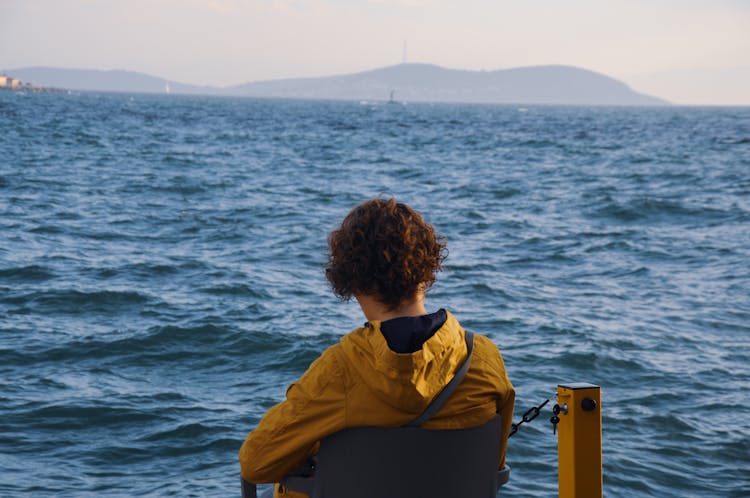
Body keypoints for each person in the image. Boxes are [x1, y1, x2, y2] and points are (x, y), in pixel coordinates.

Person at [239, 198, 515, 497]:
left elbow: (256, 464)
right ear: (428, 269)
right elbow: (493, 464)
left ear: (350, 279)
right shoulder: (484, 358)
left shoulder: (339, 370)